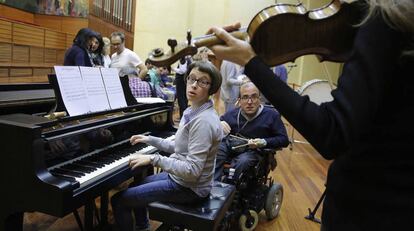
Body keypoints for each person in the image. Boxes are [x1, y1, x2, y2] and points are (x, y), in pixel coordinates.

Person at [208, 1, 414, 230]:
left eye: (253, 97)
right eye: (244, 98)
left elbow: (332, 133)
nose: (248, 101)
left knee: (246, 161)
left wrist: (251, 62)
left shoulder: (386, 22)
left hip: (367, 208)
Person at [111, 61, 223, 231]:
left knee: (119, 200)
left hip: (189, 188)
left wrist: (153, 159)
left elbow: (192, 171)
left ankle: (141, 225)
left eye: (202, 81)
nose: (193, 85)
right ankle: (143, 226)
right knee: (134, 188)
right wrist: (149, 140)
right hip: (180, 179)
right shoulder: (193, 110)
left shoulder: (203, 122)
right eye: (191, 78)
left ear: (211, 88)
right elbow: (178, 147)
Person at [214, 81, 289, 181]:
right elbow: (215, 124)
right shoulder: (232, 114)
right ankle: (215, 185)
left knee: (243, 161)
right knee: (215, 152)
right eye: (245, 97)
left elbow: (284, 140)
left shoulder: (271, 115)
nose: (250, 102)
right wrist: (218, 123)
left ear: (259, 99)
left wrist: (264, 142)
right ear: (239, 101)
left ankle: (231, 188)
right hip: (231, 146)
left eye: (254, 97)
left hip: (253, 151)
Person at [109, 31, 151, 98]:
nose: (115, 46)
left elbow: (144, 69)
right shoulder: (113, 56)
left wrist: (136, 83)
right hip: (117, 89)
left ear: (123, 42)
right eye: (113, 44)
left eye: (118, 44)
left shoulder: (130, 54)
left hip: (128, 89)